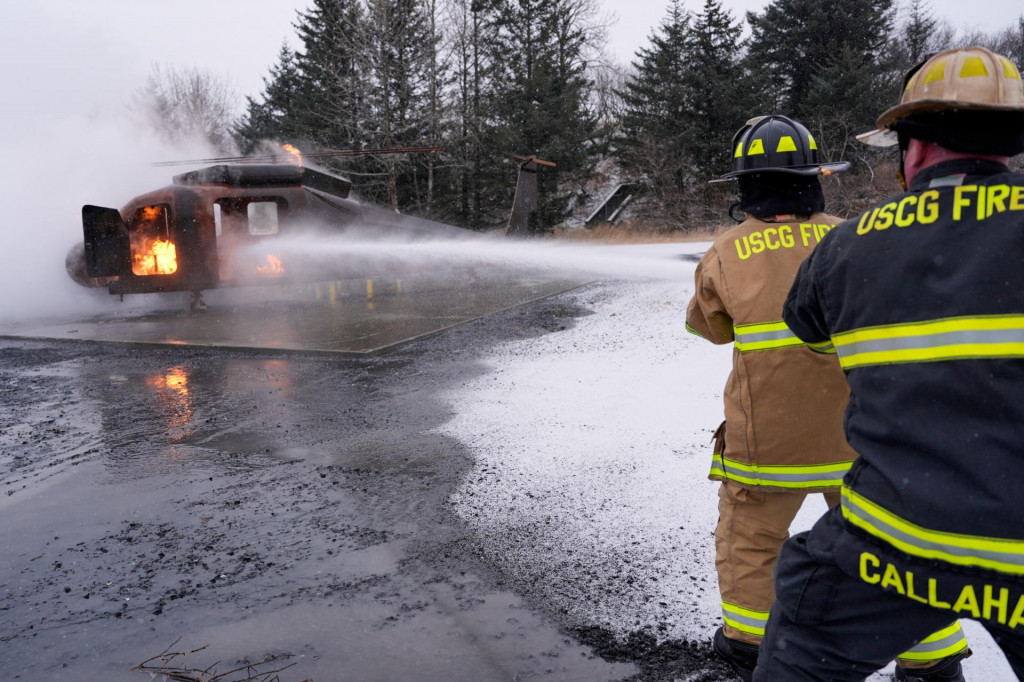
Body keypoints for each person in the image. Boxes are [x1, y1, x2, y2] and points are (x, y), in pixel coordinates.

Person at [754, 46, 1024, 681]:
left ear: (916, 146)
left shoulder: (846, 249)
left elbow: (813, 338)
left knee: (802, 637)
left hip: (895, 544)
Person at [686, 115, 967, 681]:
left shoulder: (726, 251)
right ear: (816, 175)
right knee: (895, 549)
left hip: (767, 446)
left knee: (751, 541)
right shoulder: (855, 237)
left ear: (745, 185)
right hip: (860, 442)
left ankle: (749, 644)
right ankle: (931, 660)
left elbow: (710, 328)